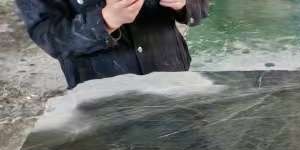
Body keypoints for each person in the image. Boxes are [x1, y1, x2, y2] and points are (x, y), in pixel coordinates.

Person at [16, 0, 210, 89]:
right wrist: (104, 21)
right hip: (102, 94)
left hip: (173, 76)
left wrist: (185, 4)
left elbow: (200, 7)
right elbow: (48, 37)